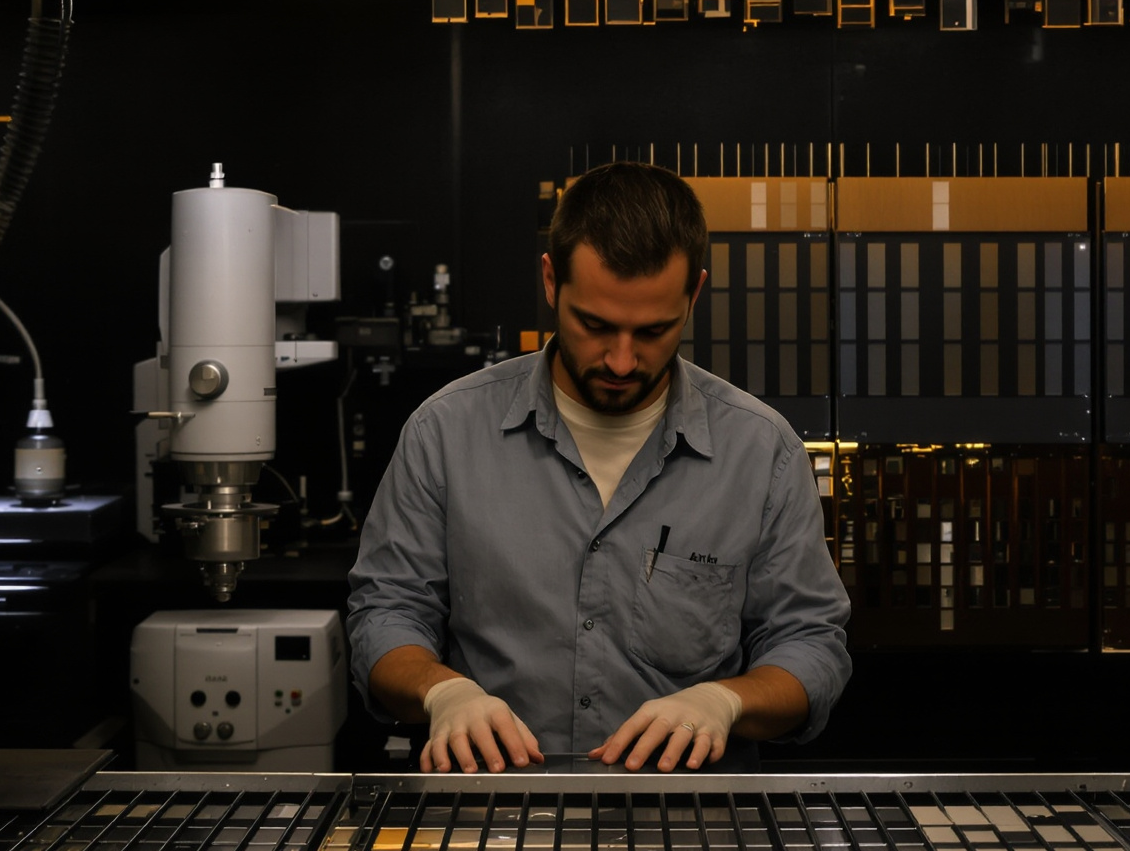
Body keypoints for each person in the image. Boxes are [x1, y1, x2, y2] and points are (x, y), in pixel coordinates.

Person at [346, 162, 852, 773]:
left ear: (694, 294)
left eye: (653, 331)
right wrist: (442, 692)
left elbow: (812, 645)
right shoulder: (445, 432)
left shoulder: (761, 452)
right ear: (551, 281)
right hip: (495, 822)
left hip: (691, 831)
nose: (619, 360)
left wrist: (727, 701)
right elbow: (385, 612)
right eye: (595, 325)